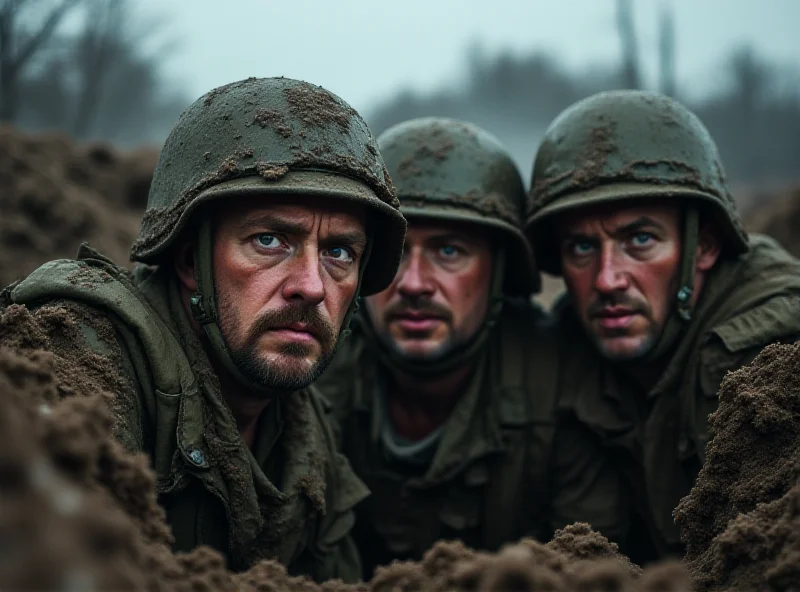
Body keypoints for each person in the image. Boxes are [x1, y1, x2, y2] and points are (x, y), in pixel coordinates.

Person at [0, 77, 408, 582]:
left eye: (339, 252)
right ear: (192, 260)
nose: (311, 286)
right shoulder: (84, 352)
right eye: (269, 239)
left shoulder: (302, 431)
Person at [524, 89, 800, 563]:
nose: (608, 279)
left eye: (641, 239)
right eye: (582, 248)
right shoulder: (567, 346)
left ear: (705, 247)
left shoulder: (770, 349)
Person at [315, 117, 560, 578]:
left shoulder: (560, 379)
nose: (412, 285)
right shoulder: (309, 370)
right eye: (395, 253)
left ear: (500, 272)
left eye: (449, 252)